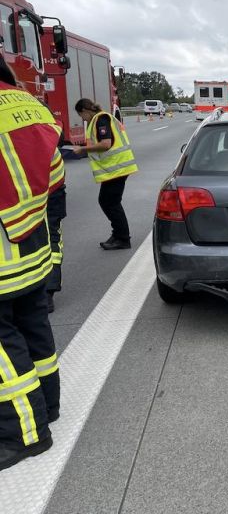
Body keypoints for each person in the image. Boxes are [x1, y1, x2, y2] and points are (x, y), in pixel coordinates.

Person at [0, 55, 63, 469]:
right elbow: (56, 178)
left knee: (6, 353)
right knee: (34, 329)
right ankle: (49, 405)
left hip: (3, 257)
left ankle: (25, 434)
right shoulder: (31, 106)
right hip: (32, 249)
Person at [72, 99, 138, 250]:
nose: (82, 119)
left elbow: (105, 144)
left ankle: (122, 238)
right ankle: (119, 235)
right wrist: (83, 147)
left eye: (81, 115)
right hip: (115, 168)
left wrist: (82, 150)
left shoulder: (100, 119)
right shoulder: (99, 119)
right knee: (108, 202)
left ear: (85, 110)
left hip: (117, 167)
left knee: (110, 203)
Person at [45, 128, 67, 313]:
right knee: (52, 240)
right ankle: (47, 293)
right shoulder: (47, 133)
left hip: (28, 197)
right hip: (53, 193)